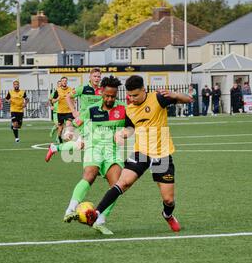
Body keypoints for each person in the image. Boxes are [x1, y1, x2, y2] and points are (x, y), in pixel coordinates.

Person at [69, 75, 192, 233]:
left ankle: (167, 215)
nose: (131, 99)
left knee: (168, 199)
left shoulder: (159, 98)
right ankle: (97, 213)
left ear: (143, 90)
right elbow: (130, 127)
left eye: (135, 95)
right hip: (141, 153)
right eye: (129, 96)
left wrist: (175, 95)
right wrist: (123, 133)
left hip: (162, 155)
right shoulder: (130, 109)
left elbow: (188, 99)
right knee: (122, 183)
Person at [46, 76, 126, 235]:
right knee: (90, 174)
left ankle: (100, 220)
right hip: (94, 147)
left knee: (117, 185)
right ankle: (70, 209)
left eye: (113, 96)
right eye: (107, 95)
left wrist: (124, 133)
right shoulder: (92, 110)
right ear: (102, 93)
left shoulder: (123, 109)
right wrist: (69, 132)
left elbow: (132, 126)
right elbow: (75, 123)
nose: (110, 99)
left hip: (113, 151)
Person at [51, 77, 73, 143]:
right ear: (61, 82)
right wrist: (57, 99)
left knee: (68, 125)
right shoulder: (57, 90)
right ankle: (60, 138)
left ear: (67, 82)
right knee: (60, 129)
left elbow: (73, 98)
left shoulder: (70, 89)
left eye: (65, 81)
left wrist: (73, 105)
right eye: (63, 81)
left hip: (69, 111)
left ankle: (68, 138)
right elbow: (53, 100)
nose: (64, 82)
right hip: (60, 112)